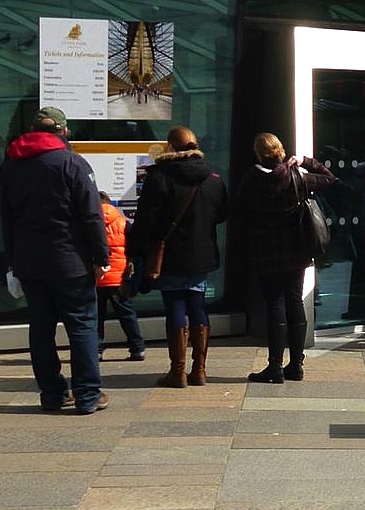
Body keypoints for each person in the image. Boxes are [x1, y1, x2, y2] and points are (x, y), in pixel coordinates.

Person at [0, 106, 110, 414]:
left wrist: (12, 262)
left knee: (41, 328)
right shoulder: (72, 163)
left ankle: (52, 393)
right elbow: (91, 215)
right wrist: (102, 256)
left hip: (30, 262)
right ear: (61, 131)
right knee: (83, 326)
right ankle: (87, 395)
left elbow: (6, 219)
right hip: (70, 261)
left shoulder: (12, 165)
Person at [128, 126, 229, 388]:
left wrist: (135, 250)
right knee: (197, 306)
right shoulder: (213, 178)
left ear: (171, 147)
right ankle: (200, 370)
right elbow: (222, 213)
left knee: (175, 306)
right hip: (201, 253)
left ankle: (178, 371)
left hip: (169, 254)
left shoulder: (159, 177)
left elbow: (145, 220)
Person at [236, 133, 335, 383]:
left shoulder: (251, 179)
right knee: (295, 302)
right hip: (296, 249)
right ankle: (297, 365)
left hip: (265, 250)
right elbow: (329, 179)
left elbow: (240, 212)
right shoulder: (295, 176)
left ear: (258, 153)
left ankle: (275, 366)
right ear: (280, 150)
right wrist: (305, 161)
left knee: (274, 306)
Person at [96, 191, 145, 362]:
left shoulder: (89, 223)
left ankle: (96, 350)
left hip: (96, 276)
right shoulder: (124, 223)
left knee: (96, 316)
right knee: (127, 314)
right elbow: (134, 249)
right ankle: (137, 348)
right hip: (119, 277)